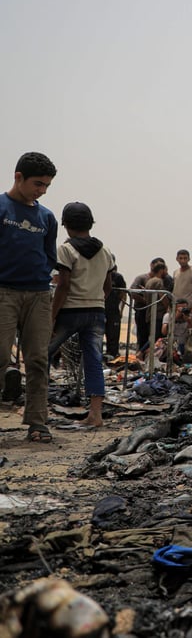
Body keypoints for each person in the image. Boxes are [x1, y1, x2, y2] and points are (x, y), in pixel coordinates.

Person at [0, 153, 58, 443]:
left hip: (38, 295)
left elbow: (50, 256)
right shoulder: (2, 208)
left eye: (47, 186)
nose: (42, 190)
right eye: (38, 183)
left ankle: (37, 422)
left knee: (37, 359)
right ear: (18, 176)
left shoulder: (46, 216)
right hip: (4, 293)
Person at [48, 202, 116, 428]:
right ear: (90, 223)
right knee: (94, 362)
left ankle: (36, 408)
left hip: (70, 311)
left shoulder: (66, 250)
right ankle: (95, 414)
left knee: (42, 354)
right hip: (96, 311)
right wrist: (96, 300)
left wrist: (52, 315)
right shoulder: (105, 251)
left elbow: (63, 285)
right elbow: (108, 286)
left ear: (65, 225)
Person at [104, 260, 126, 358]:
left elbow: (123, 294)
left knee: (113, 334)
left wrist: (121, 309)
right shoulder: (99, 274)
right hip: (100, 308)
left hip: (113, 309)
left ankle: (112, 355)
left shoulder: (117, 277)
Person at [171, 249, 192, 314]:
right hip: (176, 305)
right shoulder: (175, 272)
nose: (183, 260)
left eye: (185, 258)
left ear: (189, 259)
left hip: (188, 305)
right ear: (177, 259)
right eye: (181, 258)